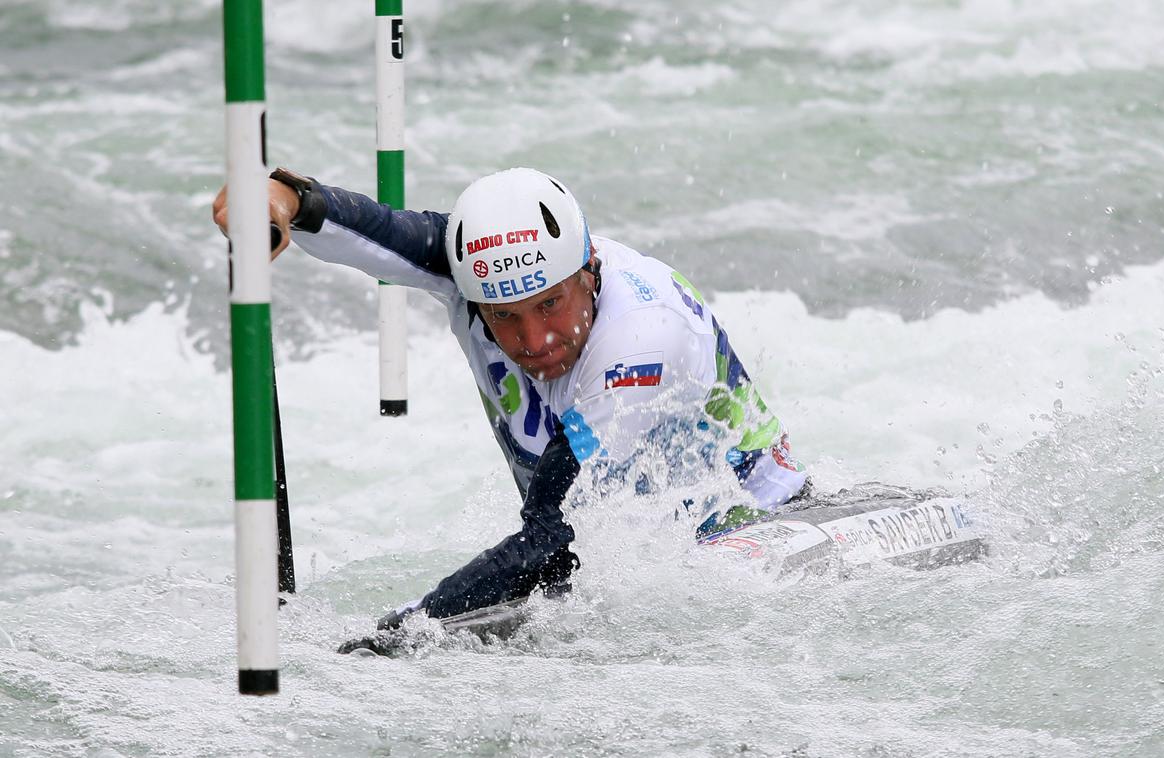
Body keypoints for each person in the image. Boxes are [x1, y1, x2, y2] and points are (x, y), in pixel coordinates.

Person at [212, 167, 810, 630]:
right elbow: (380, 230)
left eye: (550, 304)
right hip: (624, 547)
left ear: (589, 271)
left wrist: (405, 631)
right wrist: (285, 198)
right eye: (505, 317)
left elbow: (552, 535)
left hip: (760, 524)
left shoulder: (643, 338)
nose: (535, 341)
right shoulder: (472, 277)